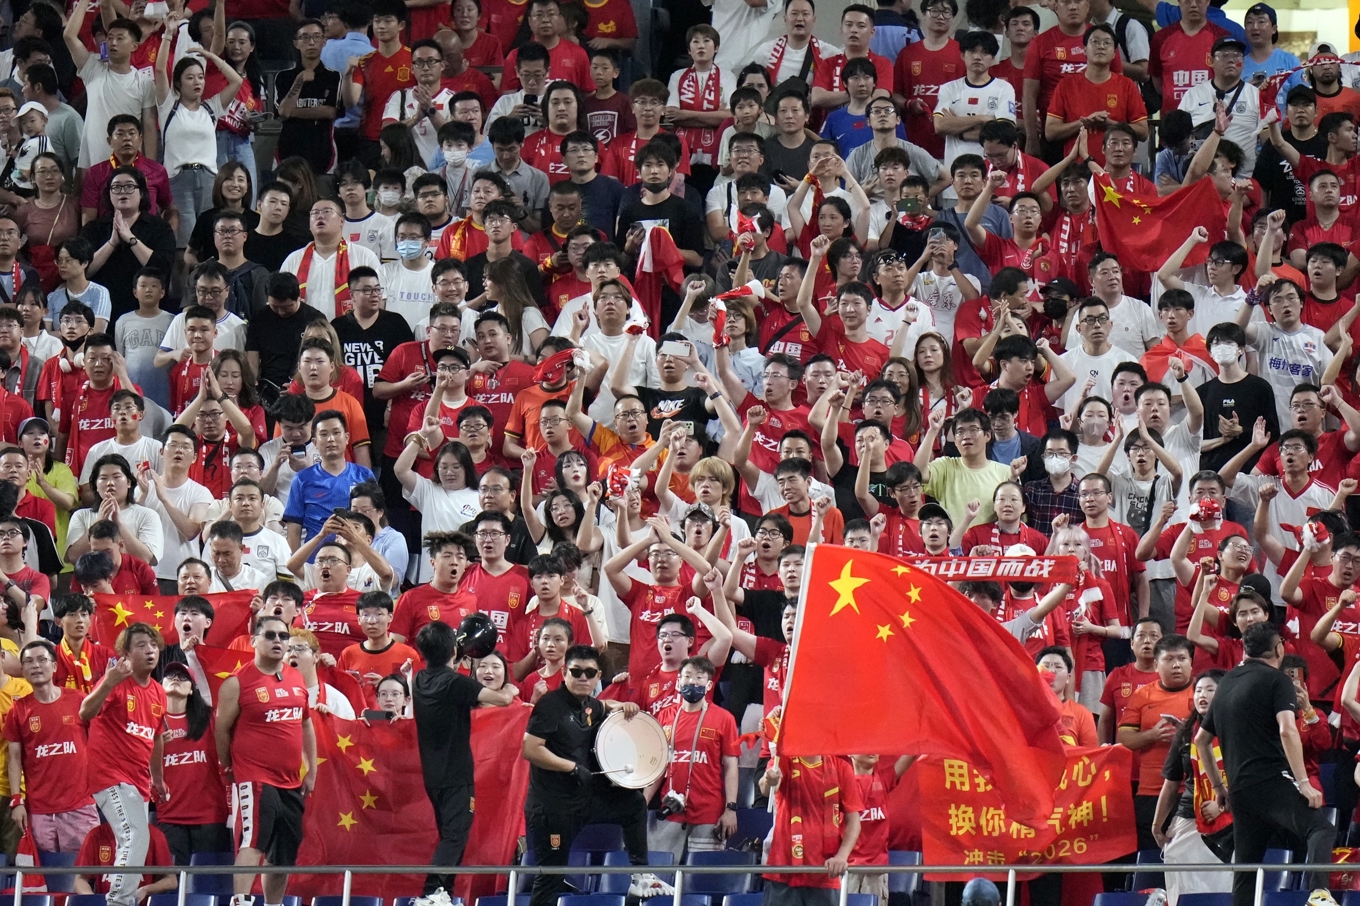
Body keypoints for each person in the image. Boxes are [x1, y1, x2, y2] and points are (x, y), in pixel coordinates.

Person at [521, 644, 669, 906]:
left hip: (583, 799)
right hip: (551, 808)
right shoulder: (550, 706)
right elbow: (531, 749)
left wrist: (622, 706)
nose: (583, 678)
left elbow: (604, 705)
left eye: (590, 673)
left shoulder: (589, 705)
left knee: (634, 804)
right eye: (576, 672)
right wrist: (571, 767)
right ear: (565, 672)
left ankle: (640, 875)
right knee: (550, 878)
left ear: (599, 675)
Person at [1199, 621, 1334, 905]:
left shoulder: (1226, 684)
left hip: (1238, 791)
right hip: (1270, 781)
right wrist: (1304, 783)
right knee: (1320, 829)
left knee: (1247, 868)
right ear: (1279, 648)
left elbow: (1201, 741)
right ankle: (1319, 895)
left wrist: (1219, 787)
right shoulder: (1278, 680)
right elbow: (1287, 730)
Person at [214, 613, 316, 906]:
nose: (278, 641)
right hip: (256, 778)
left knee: (284, 852)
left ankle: (274, 904)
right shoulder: (237, 683)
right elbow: (221, 729)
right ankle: (241, 901)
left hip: (290, 781)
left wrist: (311, 769)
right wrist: (229, 764)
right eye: (270, 635)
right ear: (254, 641)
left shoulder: (296, 677)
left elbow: (305, 723)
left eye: (283, 636)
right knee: (253, 838)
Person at [412, 619, 519, 895]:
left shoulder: (420, 679)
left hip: (433, 776)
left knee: (451, 836)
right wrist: (511, 690)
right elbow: (502, 700)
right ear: (452, 651)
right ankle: (431, 892)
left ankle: (443, 893)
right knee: (455, 836)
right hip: (456, 775)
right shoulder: (454, 683)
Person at [78, 622, 168, 906]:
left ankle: (121, 899)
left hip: (139, 782)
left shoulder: (158, 692)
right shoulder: (116, 682)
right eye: (141, 645)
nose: (149, 650)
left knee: (134, 845)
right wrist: (109, 681)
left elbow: (154, 739)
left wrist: (158, 779)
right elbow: (84, 712)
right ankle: (119, 901)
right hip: (110, 777)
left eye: (153, 645)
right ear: (126, 654)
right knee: (135, 834)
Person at [4, 638, 97, 854]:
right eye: (28, 662)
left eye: (41, 660)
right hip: (39, 812)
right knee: (46, 879)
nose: (36, 666)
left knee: (82, 876)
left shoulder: (79, 701)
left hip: (80, 806)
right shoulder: (19, 709)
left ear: (54, 666)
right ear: (23, 669)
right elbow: (14, 759)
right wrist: (17, 800)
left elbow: (100, 746)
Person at [644, 654, 740, 861]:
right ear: (678, 682)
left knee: (701, 878)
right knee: (658, 877)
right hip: (669, 811)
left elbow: (731, 766)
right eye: (687, 676)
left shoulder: (724, 719)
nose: (692, 682)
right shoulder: (665, 716)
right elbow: (659, 766)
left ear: (709, 684)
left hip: (708, 812)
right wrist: (643, 801)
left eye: (699, 677)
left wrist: (730, 808)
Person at [1118, 633, 1195, 852]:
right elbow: (1125, 738)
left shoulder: (1203, 692)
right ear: (1157, 664)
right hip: (1150, 791)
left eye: (1182, 659)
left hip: (1192, 791)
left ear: (1191, 662)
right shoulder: (1142, 695)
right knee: (1151, 856)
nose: (1176, 665)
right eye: (1169, 659)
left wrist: (1186, 735)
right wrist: (1151, 735)